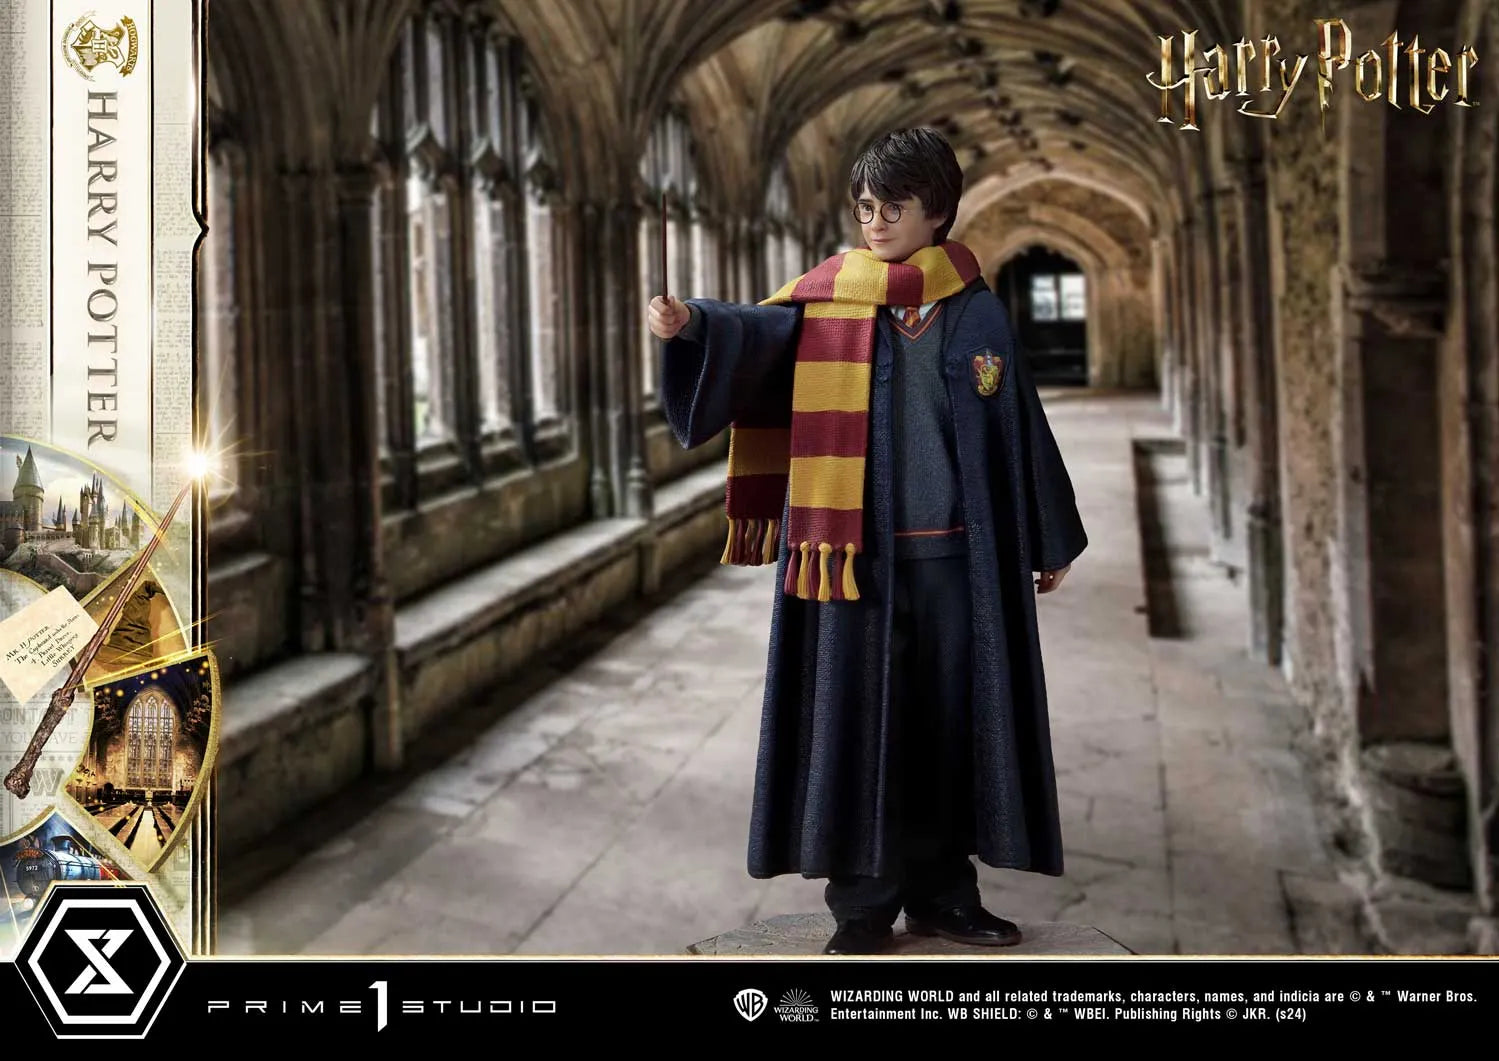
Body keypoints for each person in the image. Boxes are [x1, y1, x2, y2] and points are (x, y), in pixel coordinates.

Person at [649, 127, 1087, 955]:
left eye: (893, 207)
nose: (874, 222)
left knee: (950, 729)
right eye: (864, 207)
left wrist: (1046, 533)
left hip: (958, 560)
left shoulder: (974, 308)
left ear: (937, 214)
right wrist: (691, 326)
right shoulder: (829, 300)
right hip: (853, 561)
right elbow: (753, 338)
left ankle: (945, 897)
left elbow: (1018, 420)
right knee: (856, 728)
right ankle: (861, 908)